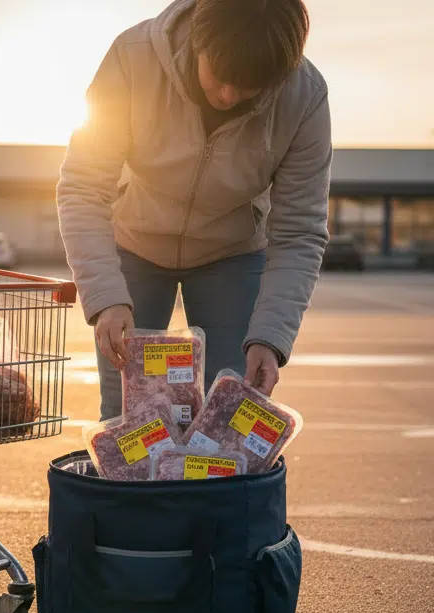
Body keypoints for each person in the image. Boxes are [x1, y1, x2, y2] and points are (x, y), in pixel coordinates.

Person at [57, 0, 331, 419]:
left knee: (228, 416)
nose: (227, 96)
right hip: (134, 245)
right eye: (220, 78)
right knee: (127, 417)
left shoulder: (305, 97)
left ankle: (207, 486)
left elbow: (299, 231)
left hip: (233, 254)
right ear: (199, 40)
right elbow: (83, 186)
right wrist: (106, 297)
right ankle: (130, 487)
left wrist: (270, 337)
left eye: (247, 88)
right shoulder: (133, 58)